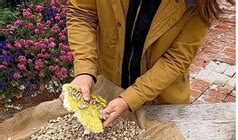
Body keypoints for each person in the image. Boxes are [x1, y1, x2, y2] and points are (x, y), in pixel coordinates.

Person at [64, 0, 226, 127]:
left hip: (161, 101)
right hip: (109, 84)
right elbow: (82, 13)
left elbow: (175, 59)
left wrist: (130, 99)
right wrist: (85, 70)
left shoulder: (198, 4)